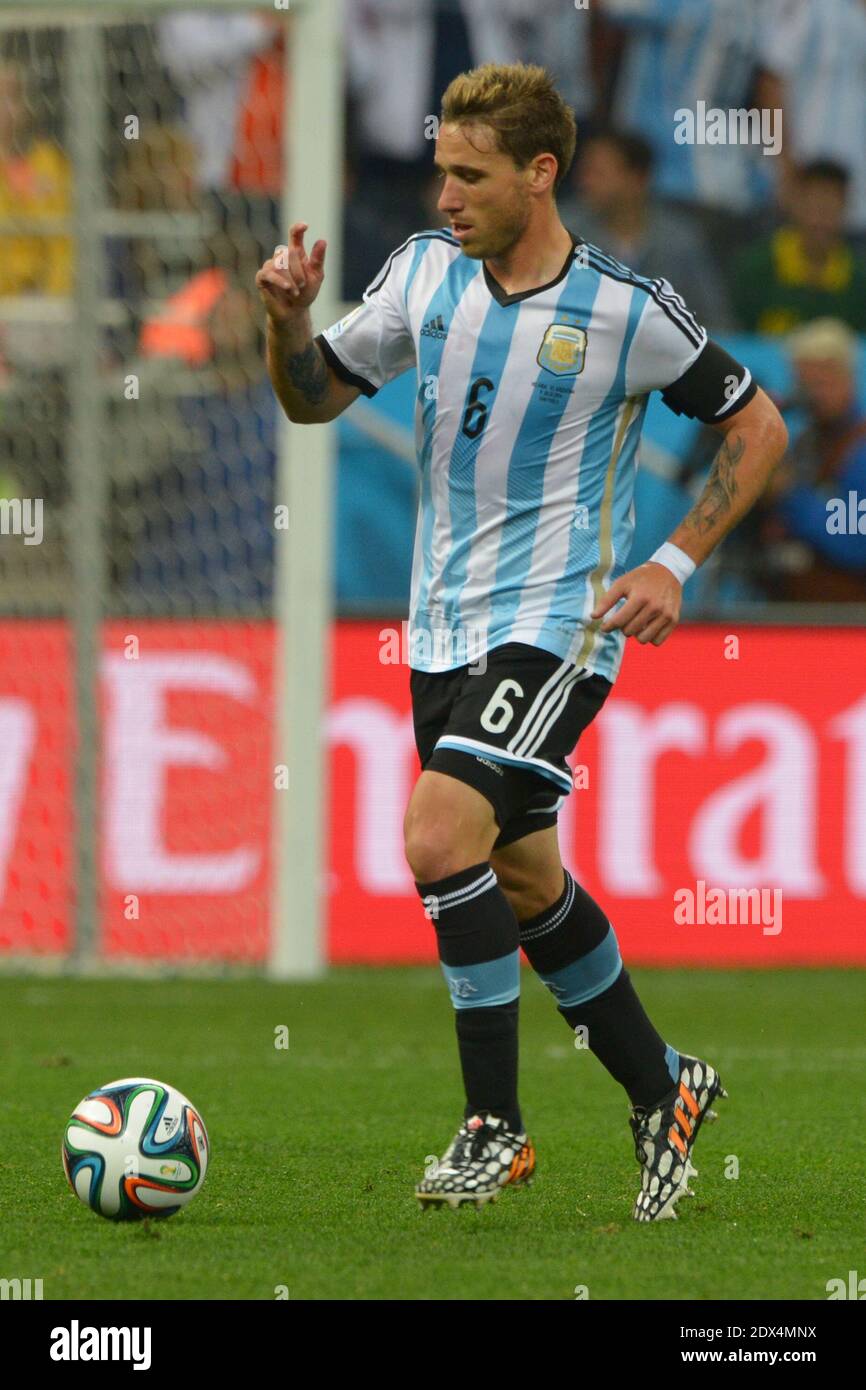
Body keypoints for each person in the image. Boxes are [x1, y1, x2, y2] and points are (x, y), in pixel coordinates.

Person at [256, 63, 788, 1222]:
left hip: (557, 625)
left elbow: (756, 424)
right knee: (521, 871)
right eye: (441, 168)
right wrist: (285, 317)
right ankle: (662, 1084)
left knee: (439, 833)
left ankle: (492, 1129)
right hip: (437, 628)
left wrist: (672, 561)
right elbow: (310, 400)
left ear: (539, 174)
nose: (443, 193)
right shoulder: (418, 275)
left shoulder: (623, 311)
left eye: (468, 174)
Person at [558, 128, 735, 333]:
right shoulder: (563, 232)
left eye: (597, 173)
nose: (583, 181)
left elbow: (715, 319)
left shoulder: (679, 239)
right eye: (583, 172)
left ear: (637, 179)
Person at [756, 318, 866, 601]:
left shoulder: (859, 446)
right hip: (795, 610)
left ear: (848, 378)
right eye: (804, 384)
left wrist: (787, 494)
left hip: (847, 621)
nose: (813, 395)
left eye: (823, 382)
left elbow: (856, 542)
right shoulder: (805, 443)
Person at [731, 161, 866, 335]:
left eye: (829, 209)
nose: (820, 222)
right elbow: (736, 338)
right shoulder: (757, 268)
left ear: (845, 208)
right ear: (796, 205)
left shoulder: (858, 280)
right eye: (814, 208)